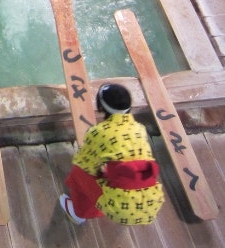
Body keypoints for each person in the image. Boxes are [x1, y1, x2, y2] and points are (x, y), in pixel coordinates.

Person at [59, 83, 165, 226]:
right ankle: (110, 201)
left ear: (101, 107)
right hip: (152, 202)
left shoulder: (98, 132)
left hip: (120, 206)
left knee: (79, 173)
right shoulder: (139, 129)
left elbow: (85, 163)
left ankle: (80, 213)